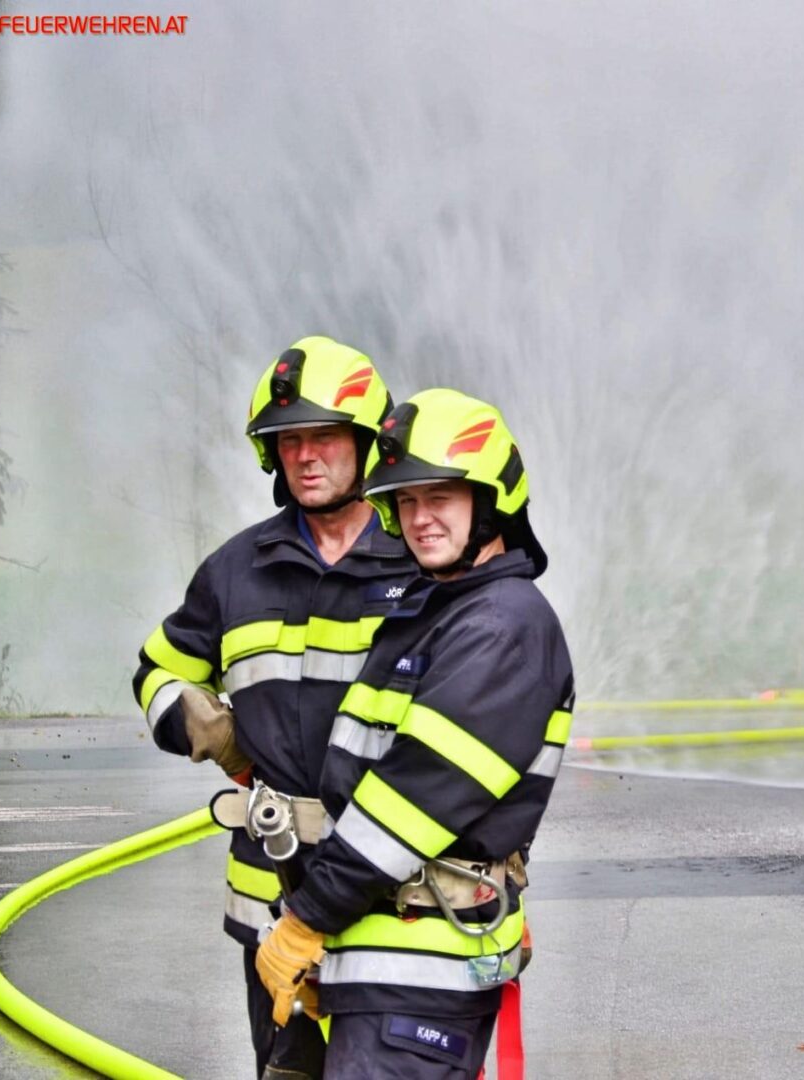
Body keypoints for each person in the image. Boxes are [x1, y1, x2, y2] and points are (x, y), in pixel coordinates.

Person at [253, 388, 575, 1080]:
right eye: (406, 501)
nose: (420, 519)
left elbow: (413, 802)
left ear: (489, 503)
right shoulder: (437, 613)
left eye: (441, 499)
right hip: (379, 964)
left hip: (418, 976)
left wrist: (307, 918)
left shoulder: (504, 625)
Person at [130, 336, 415, 1079]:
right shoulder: (235, 570)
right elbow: (159, 670)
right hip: (271, 889)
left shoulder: (418, 568)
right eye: (289, 441)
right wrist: (208, 731)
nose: (306, 455)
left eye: (324, 436)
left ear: (365, 443)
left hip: (394, 891)